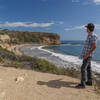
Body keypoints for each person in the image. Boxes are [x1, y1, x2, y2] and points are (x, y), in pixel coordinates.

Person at [76, 23, 98, 88]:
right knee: (88, 68)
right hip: (86, 55)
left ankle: (83, 84)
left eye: (87, 28)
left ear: (89, 28)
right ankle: (89, 82)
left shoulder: (93, 35)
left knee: (83, 68)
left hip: (88, 55)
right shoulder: (89, 35)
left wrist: (87, 55)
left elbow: (94, 46)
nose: (86, 29)